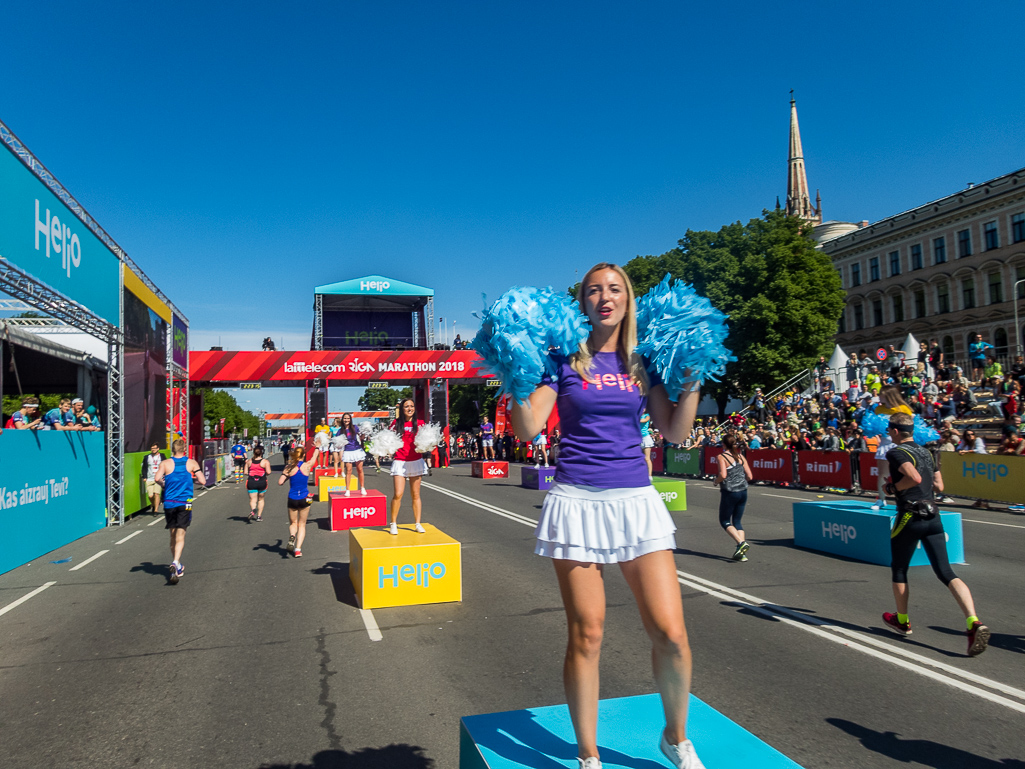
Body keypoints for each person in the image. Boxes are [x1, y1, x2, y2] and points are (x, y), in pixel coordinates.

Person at [510, 263, 705, 769]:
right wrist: (513, 376)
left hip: (636, 503)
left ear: (627, 299)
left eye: (614, 289)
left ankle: (676, 738)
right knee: (587, 634)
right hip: (575, 501)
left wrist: (694, 381)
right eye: (594, 290)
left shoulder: (645, 361)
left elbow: (675, 434)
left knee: (671, 634)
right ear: (583, 302)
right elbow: (529, 428)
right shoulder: (562, 360)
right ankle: (588, 754)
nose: (604, 297)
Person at [881, 413, 989, 657]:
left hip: (909, 515)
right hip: (933, 516)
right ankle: (973, 621)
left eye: (889, 429)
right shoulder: (927, 452)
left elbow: (914, 477)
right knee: (946, 572)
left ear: (896, 431)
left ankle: (902, 620)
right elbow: (939, 487)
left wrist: (892, 487)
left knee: (899, 569)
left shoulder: (896, 452)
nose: (888, 433)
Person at [153, 439, 206, 584]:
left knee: (172, 534)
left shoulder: (165, 463)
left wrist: (165, 484)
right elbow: (202, 481)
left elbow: (157, 478)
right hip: (185, 503)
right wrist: (190, 480)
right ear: (184, 450)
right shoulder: (191, 463)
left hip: (170, 503)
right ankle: (176, 562)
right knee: (181, 535)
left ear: (172, 450)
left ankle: (177, 564)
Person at [870, 386, 914, 510]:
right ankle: (881, 499)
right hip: (885, 443)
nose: (879, 396)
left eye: (881, 394)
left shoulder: (903, 409)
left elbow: (910, 426)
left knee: (903, 473)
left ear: (888, 395)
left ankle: (904, 500)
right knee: (882, 473)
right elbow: (874, 425)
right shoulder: (878, 409)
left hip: (900, 442)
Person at [389, 398, 427, 535]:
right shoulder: (395, 423)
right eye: (406, 406)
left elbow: (427, 441)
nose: (409, 408)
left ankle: (417, 523)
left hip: (415, 460)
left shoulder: (421, 423)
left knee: (415, 494)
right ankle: (393, 523)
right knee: (398, 494)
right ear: (402, 409)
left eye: (411, 406)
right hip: (400, 460)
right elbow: (389, 440)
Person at [713, 433, 753, 562]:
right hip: (743, 491)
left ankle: (741, 543)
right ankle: (741, 552)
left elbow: (723, 475)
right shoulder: (741, 457)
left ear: (724, 445)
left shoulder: (722, 457)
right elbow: (750, 476)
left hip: (730, 492)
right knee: (737, 521)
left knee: (724, 520)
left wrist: (716, 481)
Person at [277, 444, 319, 557]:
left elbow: (280, 482)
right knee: (302, 524)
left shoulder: (289, 467)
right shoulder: (307, 465)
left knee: (293, 523)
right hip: (305, 497)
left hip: (292, 498)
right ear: (304, 455)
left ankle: (292, 536)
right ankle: (298, 549)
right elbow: (314, 456)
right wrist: (317, 447)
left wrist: (286, 477)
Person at [340, 413, 367, 497]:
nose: (346, 420)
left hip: (357, 450)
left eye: (348, 418)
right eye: (345, 418)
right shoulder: (340, 430)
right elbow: (337, 442)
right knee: (348, 471)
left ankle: (362, 487)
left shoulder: (355, 427)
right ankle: (347, 489)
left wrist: (364, 434)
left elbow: (361, 436)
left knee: (360, 469)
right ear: (342, 419)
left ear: (350, 419)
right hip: (348, 451)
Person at [245, 445, 272, 522]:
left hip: (251, 481)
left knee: (253, 499)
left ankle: (253, 510)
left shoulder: (249, 461)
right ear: (262, 453)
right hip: (262, 482)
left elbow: (245, 472)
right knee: (261, 499)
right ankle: (259, 516)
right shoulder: (265, 462)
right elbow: (269, 472)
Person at [144, 443, 164, 514]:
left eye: (155, 448)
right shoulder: (147, 457)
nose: (153, 450)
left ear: (158, 449)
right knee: (150, 496)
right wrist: (144, 477)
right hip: (150, 478)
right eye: (152, 448)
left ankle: (156, 510)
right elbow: (144, 468)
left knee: (156, 494)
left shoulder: (162, 456)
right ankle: (153, 504)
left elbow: (166, 465)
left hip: (159, 478)